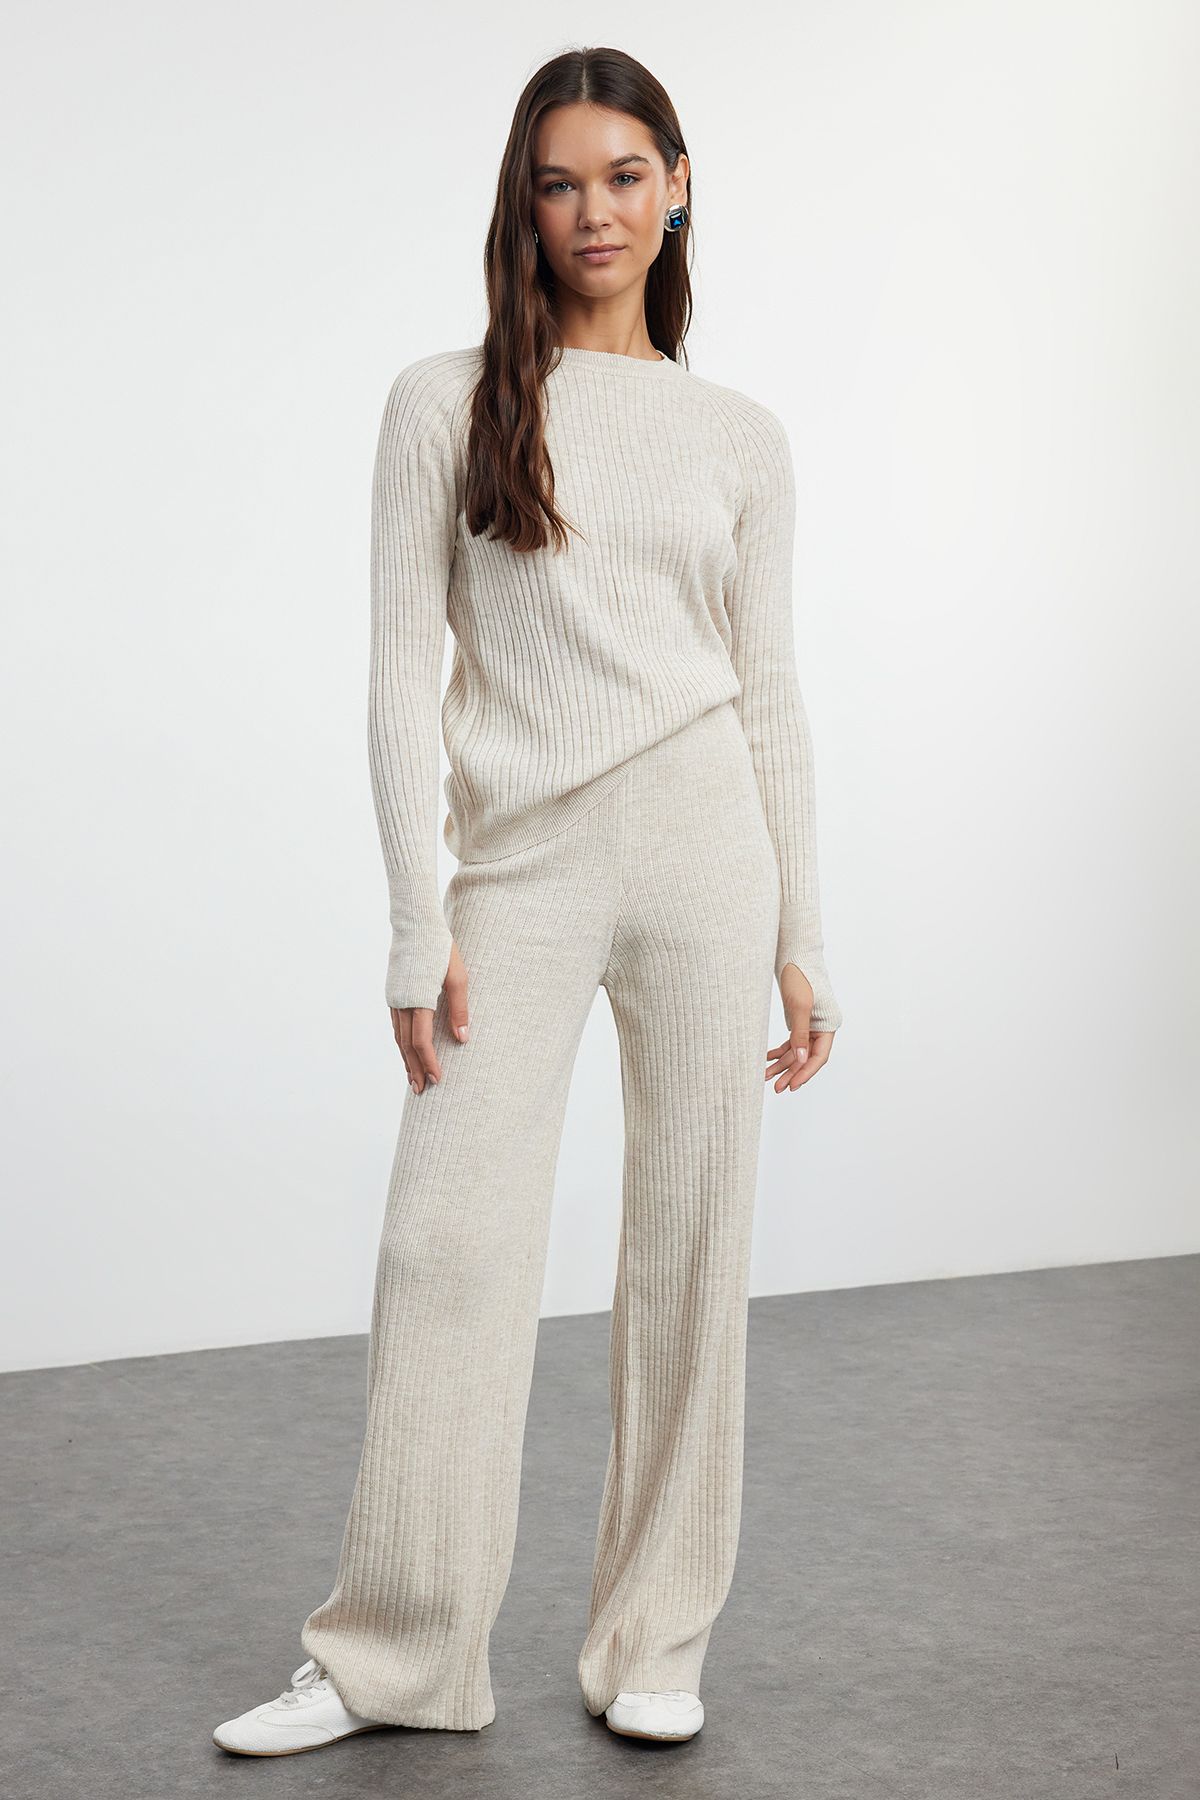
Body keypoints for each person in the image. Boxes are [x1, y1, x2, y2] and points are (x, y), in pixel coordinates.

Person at [212, 42, 843, 1758]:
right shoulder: (444, 401)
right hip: (523, 866)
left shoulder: (740, 436)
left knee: (694, 1246)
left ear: (678, 187)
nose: (594, 212)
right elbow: (394, 675)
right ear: (523, 201)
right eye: (560, 183)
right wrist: (415, 920)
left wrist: (803, 935)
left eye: (626, 176)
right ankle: (395, 1657)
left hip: (709, 853)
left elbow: (772, 696)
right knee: (449, 1243)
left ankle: (656, 1635)